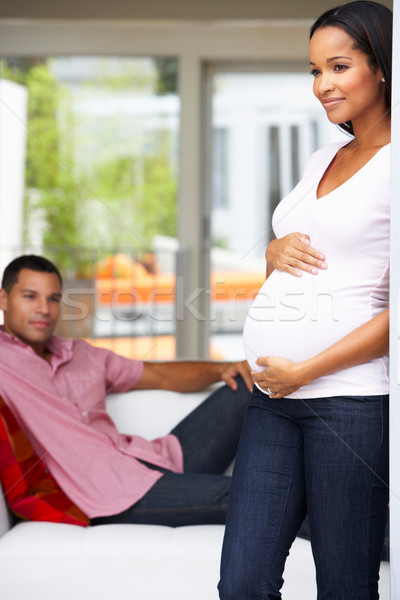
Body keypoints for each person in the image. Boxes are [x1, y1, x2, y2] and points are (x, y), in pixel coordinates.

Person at [218, 2, 391, 598]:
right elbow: (303, 242)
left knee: (345, 586)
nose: (322, 86)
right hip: (274, 397)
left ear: (384, 67)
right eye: (315, 71)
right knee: (243, 584)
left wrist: (308, 369)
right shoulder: (323, 156)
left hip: (349, 404)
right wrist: (271, 251)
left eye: (338, 67)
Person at [0, 254, 253, 527]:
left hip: (151, 459)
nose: (44, 309)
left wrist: (221, 369)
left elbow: (162, 376)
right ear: (3, 299)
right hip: (109, 494)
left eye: (53, 299)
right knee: (249, 495)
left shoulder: (82, 354)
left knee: (249, 384)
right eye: (30, 296)